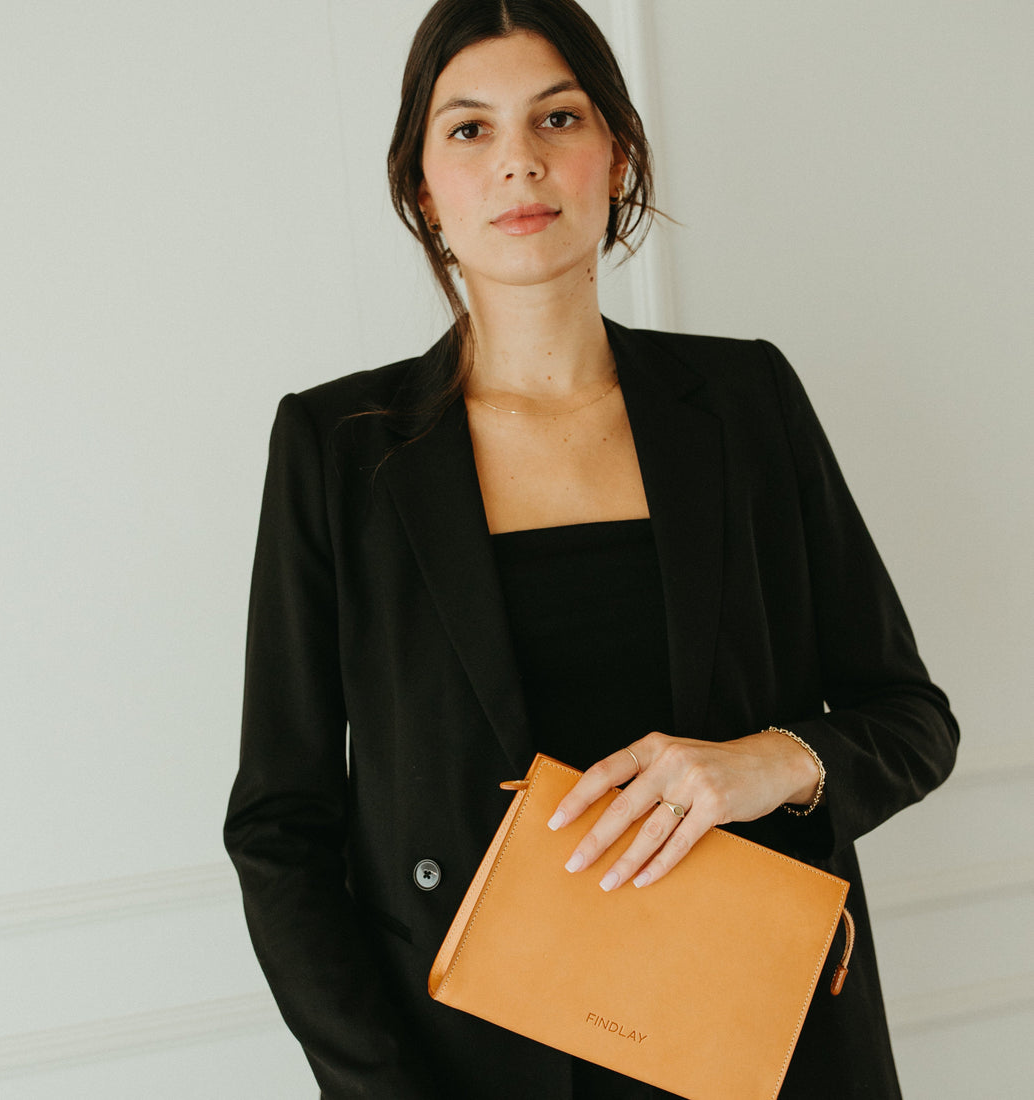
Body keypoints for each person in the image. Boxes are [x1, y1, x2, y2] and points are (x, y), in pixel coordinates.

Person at [223, 1, 959, 1097]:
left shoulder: (744, 400)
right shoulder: (340, 448)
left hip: (760, 1041)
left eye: (557, 118)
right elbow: (280, 827)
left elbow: (910, 721)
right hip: (471, 1064)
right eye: (469, 128)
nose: (518, 160)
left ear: (616, 155)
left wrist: (765, 762)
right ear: (423, 186)